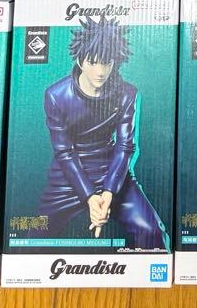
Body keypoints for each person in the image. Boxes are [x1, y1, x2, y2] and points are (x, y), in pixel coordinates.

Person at [39, 16, 167, 245]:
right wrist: (89, 196)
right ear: (80, 61)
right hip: (68, 177)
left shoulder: (127, 93)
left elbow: (125, 146)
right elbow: (64, 152)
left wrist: (108, 192)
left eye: (106, 63)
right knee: (33, 238)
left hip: (112, 171)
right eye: (92, 62)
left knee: (154, 233)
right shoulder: (56, 95)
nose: (100, 71)